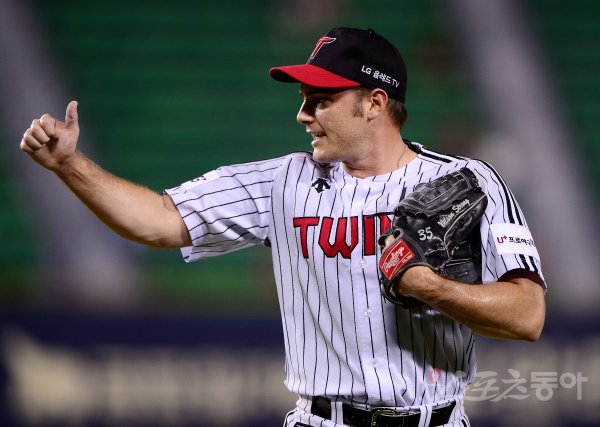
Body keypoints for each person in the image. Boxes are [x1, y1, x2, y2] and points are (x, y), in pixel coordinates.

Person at [20, 27, 545, 427]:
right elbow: (159, 222)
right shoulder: (284, 181)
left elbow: (527, 316)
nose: (303, 114)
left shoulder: (467, 183)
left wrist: (432, 288)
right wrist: (70, 165)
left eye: (321, 100)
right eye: (303, 99)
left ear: (375, 103)